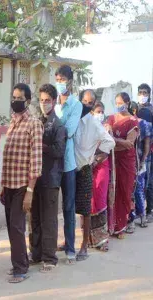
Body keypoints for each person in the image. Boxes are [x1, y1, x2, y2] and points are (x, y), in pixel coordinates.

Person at [1, 83, 43, 283]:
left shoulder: (33, 123)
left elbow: (36, 160)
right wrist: (2, 185)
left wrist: (30, 190)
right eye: (13, 97)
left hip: (21, 185)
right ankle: (20, 262)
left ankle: (21, 269)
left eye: (19, 98)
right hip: (8, 183)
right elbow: (7, 156)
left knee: (17, 227)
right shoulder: (13, 122)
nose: (15, 101)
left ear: (27, 101)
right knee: (11, 226)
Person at [29, 84, 66, 272]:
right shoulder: (36, 122)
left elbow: (59, 151)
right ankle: (35, 254)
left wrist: (41, 146)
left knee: (48, 219)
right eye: (42, 100)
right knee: (34, 216)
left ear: (54, 101)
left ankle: (49, 257)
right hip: (35, 178)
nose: (44, 104)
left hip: (51, 178)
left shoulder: (58, 126)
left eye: (47, 101)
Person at [74, 90, 115, 260]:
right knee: (69, 208)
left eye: (90, 103)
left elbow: (110, 141)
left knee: (86, 208)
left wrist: (97, 156)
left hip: (84, 168)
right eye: (84, 101)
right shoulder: (73, 118)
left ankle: (84, 245)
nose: (86, 105)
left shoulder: (93, 123)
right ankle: (70, 241)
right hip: (70, 169)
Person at [55, 65, 82, 265]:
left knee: (68, 207)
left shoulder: (75, 105)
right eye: (57, 78)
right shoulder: (51, 102)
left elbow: (69, 131)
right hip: (51, 164)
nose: (59, 82)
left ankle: (70, 249)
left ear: (70, 81)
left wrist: (53, 128)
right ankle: (48, 248)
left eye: (62, 78)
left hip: (68, 164)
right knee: (48, 207)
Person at [107, 92, 139, 239]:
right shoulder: (111, 119)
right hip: (112, 159)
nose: (118, 105)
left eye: (121, 103)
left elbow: (129, 143)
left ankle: (121, 227)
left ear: (127, 103)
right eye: (117, 103)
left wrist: (113, 140)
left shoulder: (133, 121)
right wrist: (117, 141)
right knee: (112, 192)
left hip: (126, 161)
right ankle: (111, 225)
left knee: (124, 192)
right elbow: (104, 136)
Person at [88, 102, 114, 251]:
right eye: (98, 111)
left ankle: (102, 239)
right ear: (91, 113)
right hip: (87, 166)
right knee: (88, 201)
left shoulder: (106, 128)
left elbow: (108, 148)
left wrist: (96, 161)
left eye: (102, 111)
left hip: (101, 166)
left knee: (100, 200)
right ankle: (90, 239)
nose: (101, 114)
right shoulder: (87, 126)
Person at [130, 105, 151, 230]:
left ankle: (141, 216)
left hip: (139, 161)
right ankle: (132, 218)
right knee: (132, 191)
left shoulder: (145, 125)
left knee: (138, 189)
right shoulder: (125, 122)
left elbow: (146, 145)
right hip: (129, 162)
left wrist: (142, 161)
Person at [137, 83, 153, 222]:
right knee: (137, 183)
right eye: (140, 92)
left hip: (149, 152)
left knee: (148, 183)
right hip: (136, 151)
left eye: (145, 93)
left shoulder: (151, 111)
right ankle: (138, 211)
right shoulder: (133, 109)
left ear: (149, 94)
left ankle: (149, 211)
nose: (142, 95)